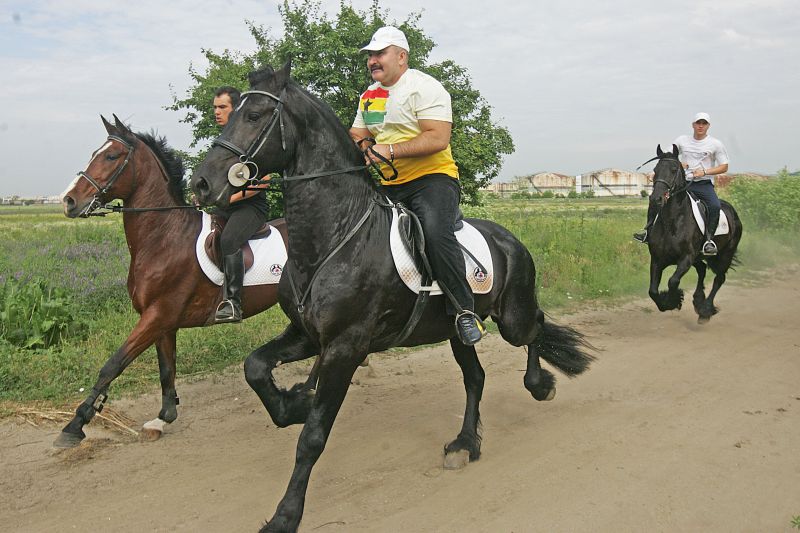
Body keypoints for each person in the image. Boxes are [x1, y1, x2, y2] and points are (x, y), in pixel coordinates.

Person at [348, 26, 484, 345]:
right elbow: (358, 133)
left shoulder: (423, 87)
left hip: (432, 180)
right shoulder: (371, 96)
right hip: (388, 184)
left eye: (379, 53)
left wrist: (390, 150)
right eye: (370, 55)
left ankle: (465, 311)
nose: (372, 60)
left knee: (435, 233)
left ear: (401, 56)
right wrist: (368, 147)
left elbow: (438, 138)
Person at [212, 85, 270, 322]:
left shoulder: (253, 141)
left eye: (222, 107)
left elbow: (264, 181)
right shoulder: (222, 143)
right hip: (225, 207)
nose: (216, 112)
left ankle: (233, 303)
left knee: (229, 240)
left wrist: (231, 198)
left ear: (236, 110)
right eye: (215, 107)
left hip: (250, 209)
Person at [634, 112, 729, 255]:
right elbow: (666, 158)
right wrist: (662, 170)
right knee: (655, 199)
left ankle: (709, 241)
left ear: (708, 126)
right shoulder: (682, 140)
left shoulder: (715, 144)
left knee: (714, 205)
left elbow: (724, 166)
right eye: (698, 123)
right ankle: (647, 232)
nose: (700, 126)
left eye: (704, 123)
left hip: (703, 184)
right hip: (682, 184)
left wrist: (704, 172)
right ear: (693, 125)